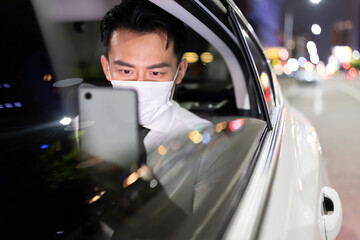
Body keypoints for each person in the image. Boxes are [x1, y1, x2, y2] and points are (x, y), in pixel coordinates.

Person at [99, 0, 212, 154]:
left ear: (180, 71)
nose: (139, 85)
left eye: (155, 73)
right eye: (126, 71)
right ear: (107, 68)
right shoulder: (83, 129)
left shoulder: (204, 142)